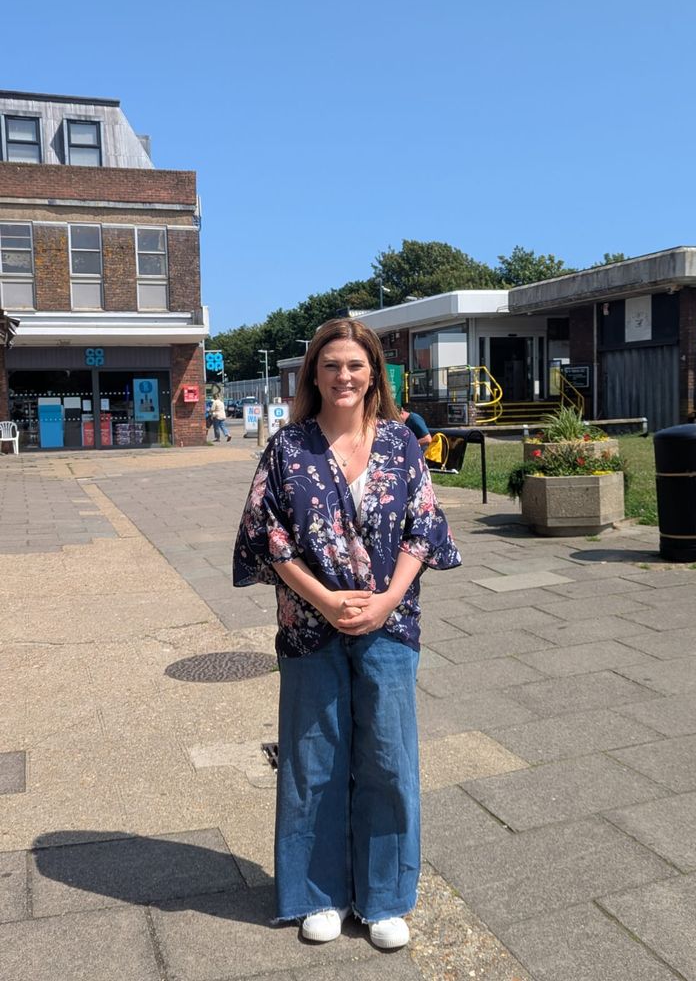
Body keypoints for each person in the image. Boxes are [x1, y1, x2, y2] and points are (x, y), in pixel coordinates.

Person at [233, 318, 461, 950]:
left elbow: (425, 527)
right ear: (313, 374)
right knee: (312, 761)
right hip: (309, 625)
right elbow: (266, 537)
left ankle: (385, 896)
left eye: (355, 366)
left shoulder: (400, 444)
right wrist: (328, 601)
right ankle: (319, 893)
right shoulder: (287, 448)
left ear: (373, 374)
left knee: (389, 757)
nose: (343, 376)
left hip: (390, 623)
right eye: (331, 365)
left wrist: (386, 600)